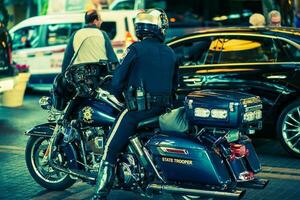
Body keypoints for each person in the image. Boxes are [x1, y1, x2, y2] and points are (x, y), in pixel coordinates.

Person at [92, 8, 178, 200]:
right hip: (163, 110)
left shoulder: (135, 49)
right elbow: (175, 86)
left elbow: (117, 81)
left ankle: (100, 194)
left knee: (110, 146)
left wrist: (117, 93)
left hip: (138, 111)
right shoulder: (170, 52)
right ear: (160, 28)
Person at [53, 9, 118, 110]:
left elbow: (67, 58)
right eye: (100, 19)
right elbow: (112, 58)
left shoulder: (75, 34)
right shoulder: (102, 34)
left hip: (79, 78)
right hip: (99, 76)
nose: (101, 22)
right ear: (95, 21)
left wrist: (64, 76)